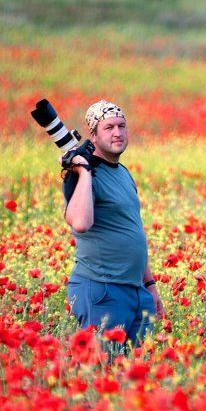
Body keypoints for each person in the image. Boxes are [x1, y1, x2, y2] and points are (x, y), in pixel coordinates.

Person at [62, 99, 164, 346]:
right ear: (93, 136)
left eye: (121, 126)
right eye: (108, 128)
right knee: (105, 369)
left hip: (136, 290)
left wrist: (149, 285)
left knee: (138, 372)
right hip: (102, 289)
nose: (117, 133)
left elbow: (133, 229)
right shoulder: (82, 176)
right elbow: (81, 223)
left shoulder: (123, 172)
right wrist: (84, 170)